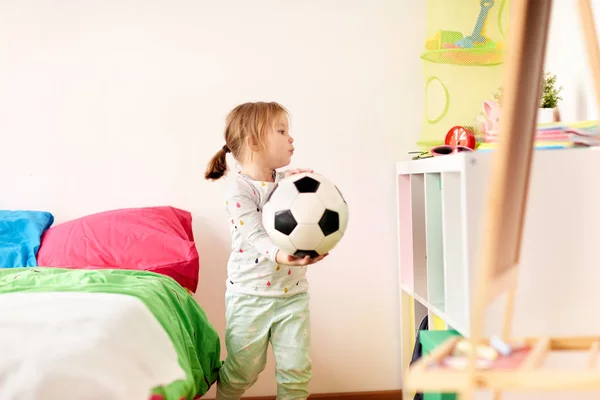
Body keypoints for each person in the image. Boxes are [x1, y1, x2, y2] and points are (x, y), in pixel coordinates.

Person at [204, 101, 327, 400]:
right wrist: (282, 256)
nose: (291, 138)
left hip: (292, 296)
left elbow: (307, 220)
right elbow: (255, 234)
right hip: (250, 295)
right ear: (254, 142)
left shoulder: (290, 185)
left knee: (296, 370)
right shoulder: (238, 190)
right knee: (244, 370)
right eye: (282, 131)